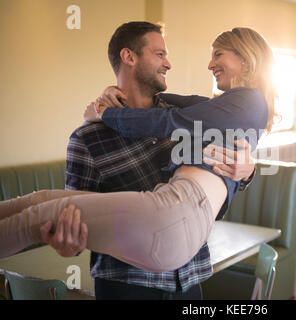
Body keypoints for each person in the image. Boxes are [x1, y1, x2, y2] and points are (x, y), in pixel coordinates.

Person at [0, 23, 275, 298]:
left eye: (218, 55)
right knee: (41, 203)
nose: (169, 63)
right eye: (160, 54)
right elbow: (76, 229)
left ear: (245, 58)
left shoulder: (186, 120)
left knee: (37, 215)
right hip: (128, 287)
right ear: (129, 57)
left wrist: (249, 169)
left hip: (187, 280)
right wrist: (67, 244)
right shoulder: (88, 138)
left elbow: (205, 145)